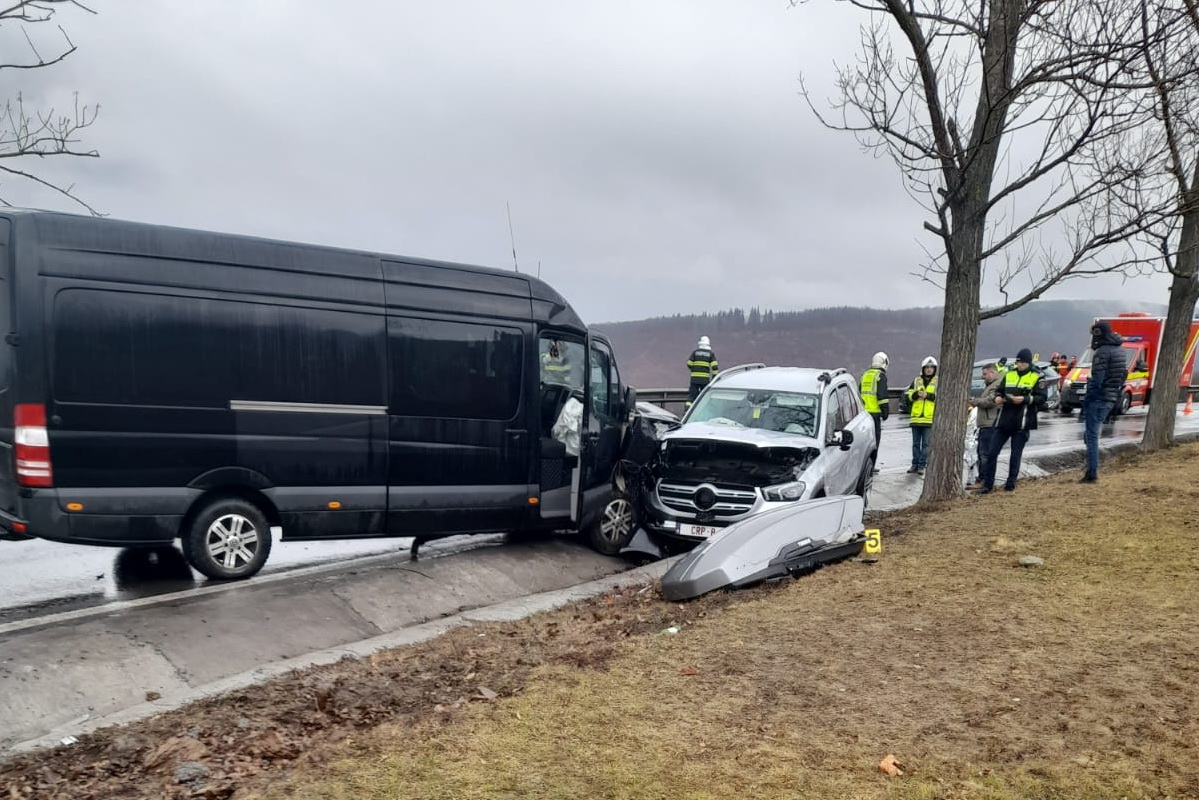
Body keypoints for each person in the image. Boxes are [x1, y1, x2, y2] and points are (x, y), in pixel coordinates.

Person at [977, 348, 1046, 494]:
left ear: (1028, 363)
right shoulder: (1010, 374)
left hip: (1022, 421)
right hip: (1004, 419)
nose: (1019, 365)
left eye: (1021, 362)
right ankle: (988, 485)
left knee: (1015, 455)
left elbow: (1042, 398)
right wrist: (997, 397)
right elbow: (999, 391)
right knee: (992, 452)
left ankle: (1010, 484)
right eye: (1018, 362)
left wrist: (1026, 399)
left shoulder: (1037, 376)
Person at [1081, 321, 1128, 483]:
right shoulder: (1121, 351)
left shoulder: (1102, 352)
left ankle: (1091, 473)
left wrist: (1088, 398)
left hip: (1099, 397)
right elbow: (1123, 375)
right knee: (1091, 435)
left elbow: (1097, 379)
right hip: (1111, 397)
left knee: (1092, 436)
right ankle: (1090, 469)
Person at [966, 362, 1003, 490]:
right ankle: (983, 478)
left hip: (990, 423)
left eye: (985, 374)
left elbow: (990, 401)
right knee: (982, 452)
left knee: (984, 453)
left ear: (992, 372)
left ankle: (984, 479)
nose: (983, 377)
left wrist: (974, 401)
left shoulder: (996, 385)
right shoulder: (990, 384)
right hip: (985, 423)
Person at [904, 356, 937, 475]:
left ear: (934, 369)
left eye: (931, 367)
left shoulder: (938, 381)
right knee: (916, 444)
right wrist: (916, 394)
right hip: (916, 418)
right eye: (927, 367)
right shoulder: (917, 380)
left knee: (926, 444)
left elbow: (940, 396)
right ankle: (914, 464)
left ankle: (922, 465)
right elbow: (908, 395)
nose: (929, 369)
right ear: (923, 368)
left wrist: (927, 395)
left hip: (929, 418)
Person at [859, 351, 890, 461]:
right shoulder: (880, 376)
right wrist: (885, 412)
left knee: (864, 441)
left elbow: (859, 392)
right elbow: (882, 396)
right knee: (875, 441)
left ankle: (864, 464)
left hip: (863, 413)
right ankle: (871, 465)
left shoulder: (865, 375)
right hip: (875, 413)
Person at [686, 336, 718, 407]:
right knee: (704, 396)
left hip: (694, 379)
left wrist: (693, 370)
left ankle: (687, 410)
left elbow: (689, 363)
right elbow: (715, 367)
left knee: (691, 397)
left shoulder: (695, 352)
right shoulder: (711, 354)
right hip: (704, 380)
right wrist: (714, 377)